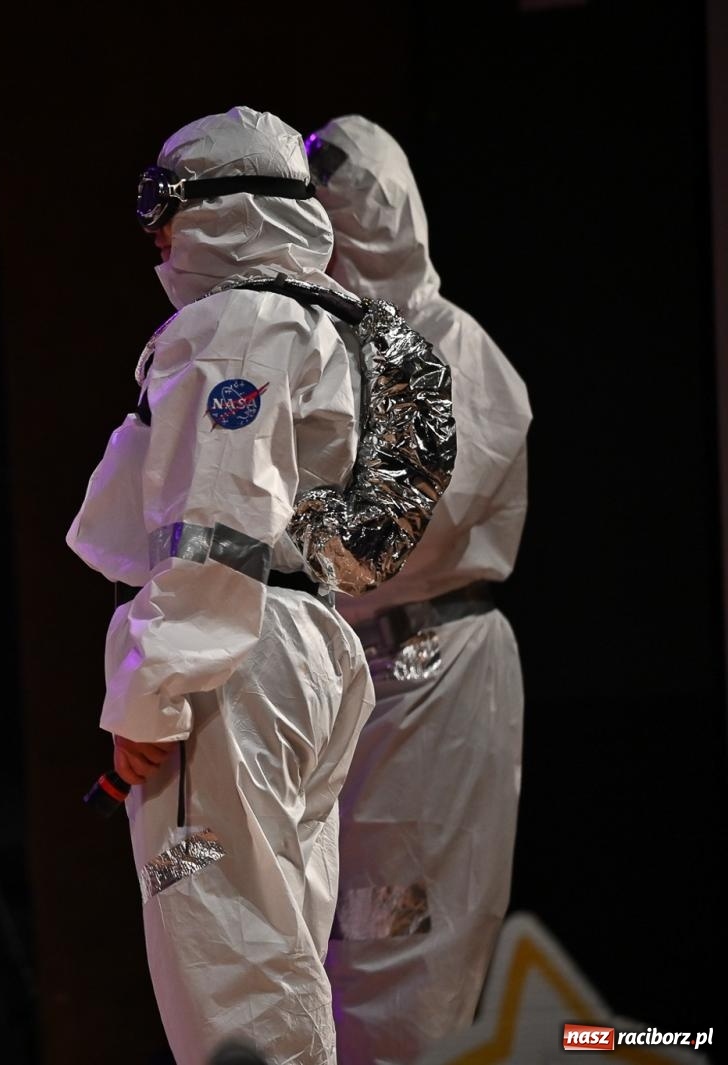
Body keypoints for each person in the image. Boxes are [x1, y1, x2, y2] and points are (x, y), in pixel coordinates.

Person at [67, 105, 383, 1065]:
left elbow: (214, 525)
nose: (156, 234)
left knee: (235, 959)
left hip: (233, 660)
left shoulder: (231, 327)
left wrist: (153, 694)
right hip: (306, 642)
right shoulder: (316, 318)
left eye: (167, 207)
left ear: (218, 209)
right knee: (278, 939)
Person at [307, 115, 531, 1065]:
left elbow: (407, 532)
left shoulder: (453, 350)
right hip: (346, 671)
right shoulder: (320, 351)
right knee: (340, 931)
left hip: (432, 664)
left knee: (406, 933)